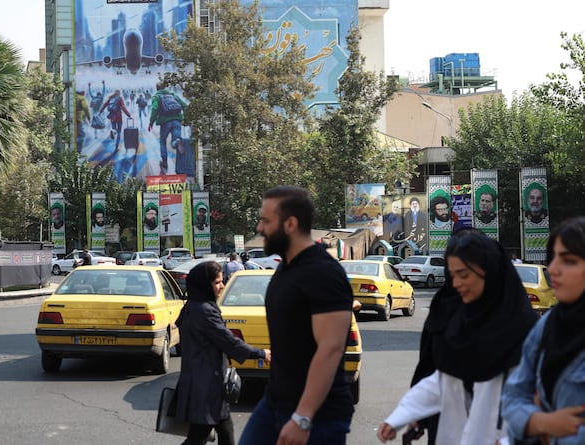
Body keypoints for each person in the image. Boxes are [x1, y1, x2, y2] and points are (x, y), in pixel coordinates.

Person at [376, 228, 538, 445]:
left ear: (489, 272)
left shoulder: (526, 332)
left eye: (464, 275)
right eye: (452, 276)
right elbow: (443, 380)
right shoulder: (458, 323)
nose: (456, 284)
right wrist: (400, 417)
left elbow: (537, 401)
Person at [239, 186, 354, 445]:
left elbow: (331, 349)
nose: (260, 227)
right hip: (274, 404)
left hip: (318, 418)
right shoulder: (287, 267)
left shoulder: (322, 273)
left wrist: (303, 417)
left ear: (290, 223)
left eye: (266, 220)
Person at [501, 216, 585, 444]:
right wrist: (542, 423)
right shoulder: (549, 324)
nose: (554, 269)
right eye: (553, 258)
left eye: (568, 261)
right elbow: (513, 397)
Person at [174, 261, 271, 445]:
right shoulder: (204, 311)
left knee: (225, 430)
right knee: (200, 435)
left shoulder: (194, 306)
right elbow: (228, 341)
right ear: (205, 284)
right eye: (217, 282)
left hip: (206, 381)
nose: (222, 286)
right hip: (206, 384)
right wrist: (260, 353)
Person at [149, 82, 188, 174]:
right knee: (175, 140)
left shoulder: (156, 97)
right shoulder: (173, 95)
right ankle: (177, 142)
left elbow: (154, 109)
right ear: (165, 87)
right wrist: (186, 118)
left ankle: (165, 163)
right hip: (177, 120)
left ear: (157, 88)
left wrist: (151, 122)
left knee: (162, 141)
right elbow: (184, 105)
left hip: (165, 122)